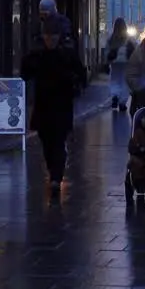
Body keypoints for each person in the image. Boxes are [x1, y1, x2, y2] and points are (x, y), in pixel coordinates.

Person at [20, 15, 87, 193]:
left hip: (61, 104)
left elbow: (80, 73)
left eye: (53, 36)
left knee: (57, 141)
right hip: (43, 104)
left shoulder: (66, 53)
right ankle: (53, 171)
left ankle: (56, 176)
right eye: (47, 36)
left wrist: (75, 83)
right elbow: (25, 72)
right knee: (46, 141)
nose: (50, 40)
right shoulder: (38, 53)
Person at [106, 18, 137, 112]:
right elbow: (136, 48)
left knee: (114, 80)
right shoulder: (129, 38)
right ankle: (122, 103)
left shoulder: (111, 38)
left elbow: (106, 51)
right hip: (126, 62)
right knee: (124, 82)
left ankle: (115, 95)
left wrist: (106, 62)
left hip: (115, 63)